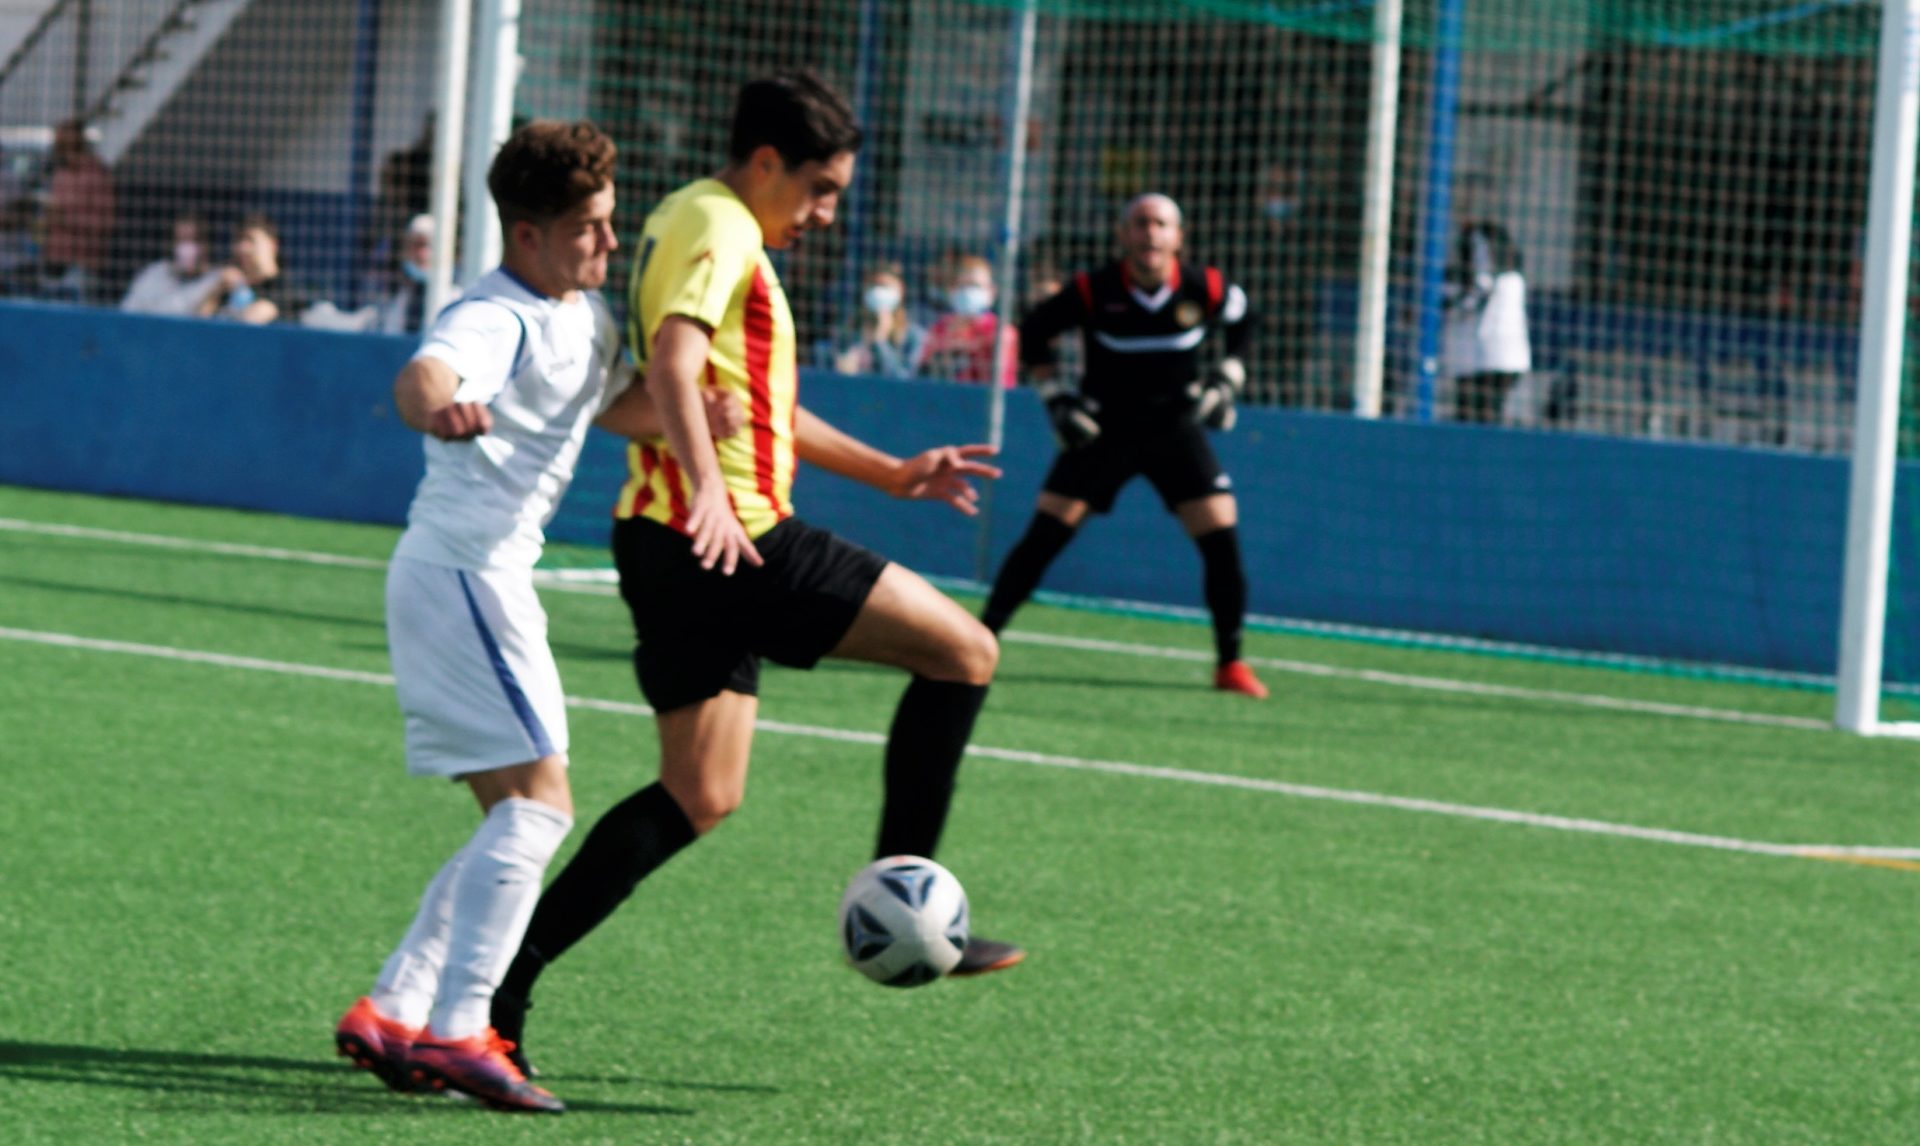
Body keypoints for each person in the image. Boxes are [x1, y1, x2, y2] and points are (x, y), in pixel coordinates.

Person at [489, 70, 1023, 1075]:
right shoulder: (720, 224)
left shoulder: (698, 219)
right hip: (734, 536)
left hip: (669, 543)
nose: (825, 214)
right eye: (820, 190)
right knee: (965, 651)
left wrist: (890, 473)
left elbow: (752, 403)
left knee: (698, 793)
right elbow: (675, 364)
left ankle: (499, 992)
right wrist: (708, 489)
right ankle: (905, 893)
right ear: (767, 163)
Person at [330, 119, 746, 1115]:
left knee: (515, 818)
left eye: (609, 221)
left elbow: (608, 406)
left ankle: (394, 1007)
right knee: (541, 809)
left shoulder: (581, 313)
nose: (610, 242)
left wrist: (693, 417)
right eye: (589, 228)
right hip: (466, 575)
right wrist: (438, 407)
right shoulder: (496, 314)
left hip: (476, 579)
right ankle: (461, 1029)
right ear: (528, 234)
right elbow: (423, 375)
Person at [980, 192, 1270, 700]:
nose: (1150, 233)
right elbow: (1033, 332)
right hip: (1105, 430)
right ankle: (976, 640)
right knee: (1043, 538)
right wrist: (1056, 398)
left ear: (1178, 237)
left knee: (1222, 541)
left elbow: (1247, 320)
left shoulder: (1205, 287)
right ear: (1122, 235)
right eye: (1139, 223)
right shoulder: (1093, 290)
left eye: (1160, 224)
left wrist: (1228, 375)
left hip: (1177, 429)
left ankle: (1230, 663)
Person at [1441, 174, 1530, 424]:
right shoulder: (1502, 245)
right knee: (1487, 417)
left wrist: (1445, 308)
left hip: (1484, 354)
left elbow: (1480, 288)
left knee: (1474, 416)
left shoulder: (1478, 240)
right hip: (1505, 355)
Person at [38, 119, 114, 304]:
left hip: (82, 263)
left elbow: (105, 223)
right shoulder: (60, 173)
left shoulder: (96, 174)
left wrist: (66, 221)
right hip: (54, 259)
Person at [916, 253, 1017, 386]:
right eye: (963, 285)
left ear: (991, 292)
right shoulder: (939, 327)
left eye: (976, 286)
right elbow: (924, 373)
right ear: (952, 290)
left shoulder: (1001, 332)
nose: (969, 292)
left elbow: (1000, 382)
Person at [196, 213, 303, 324]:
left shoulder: (284, 290)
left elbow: (250, 321)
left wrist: (240, 291)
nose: (243, 248)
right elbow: (197, 325)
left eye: (251, 240)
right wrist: (217, 292)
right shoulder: (227, 287)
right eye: (239, 241)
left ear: (272, 244)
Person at [828, 261, 925, 377]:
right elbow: (837, 364)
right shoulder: (851, 327)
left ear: (900, 290)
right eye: (875, 285)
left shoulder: (914, 335)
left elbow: (904, 377)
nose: (879, 292)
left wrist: (880, 341)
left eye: (885, 286)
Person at [119, 213, 221, 316]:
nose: (188, 248)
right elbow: (127, 312)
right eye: (182, 240)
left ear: (207, 245)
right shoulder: (154, 273)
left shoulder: (218, 281)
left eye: (195, 240)